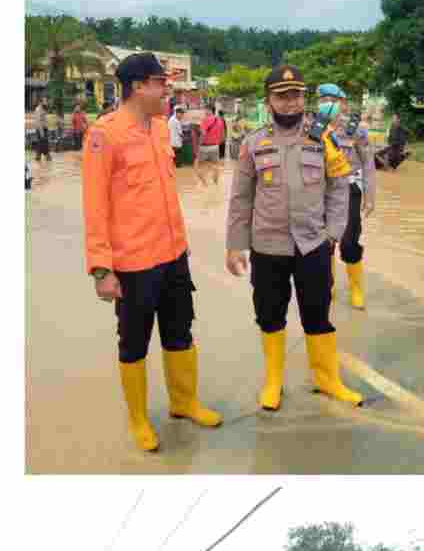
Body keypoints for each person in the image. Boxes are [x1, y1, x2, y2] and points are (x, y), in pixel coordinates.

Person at [82, 52, 222, 452]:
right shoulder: (103, 134)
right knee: (134, 342)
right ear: (138, 86)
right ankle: (139, 419)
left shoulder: (161, 128)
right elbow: (95, 205)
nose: (168, 89)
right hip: (133, 262)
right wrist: (101, 269)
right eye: (162, 83)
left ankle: (184, 402)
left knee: (180, 331)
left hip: (173, 253)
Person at [226, 65, 362, 410]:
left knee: (318, 313)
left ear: (305, 98)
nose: (290, 103)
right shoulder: (253, 143)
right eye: (281, 96)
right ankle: (273, 381)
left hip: (312, 244)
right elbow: (241, 197)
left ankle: (326, 379)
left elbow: (339, 187)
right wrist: (234, 245)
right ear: (268, 100)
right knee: (270, 314)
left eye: (296, 95)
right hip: (267, 245)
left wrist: (333, 233)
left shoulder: (324, 138)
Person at [317, 84, 375, 310]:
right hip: (321, 192)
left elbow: (369, 163)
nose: (326, 103)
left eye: (332, 98)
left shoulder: (357, 130)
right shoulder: (313, 128)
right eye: (322, 99)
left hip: (350, 190)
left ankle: (356, 288)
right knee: (325, 243)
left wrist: (370, 197)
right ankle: (328, 285)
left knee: (349, 242)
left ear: (343, 103)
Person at [197, 103, 225, 186]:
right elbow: (223, 135)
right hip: (215, 147)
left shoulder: (205, 120)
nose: (204, 111)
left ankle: (205, 184)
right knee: (215, 166)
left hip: (204, 147)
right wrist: (217, 142)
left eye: (205, 109)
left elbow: (203, 134)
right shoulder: (220, 120)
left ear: (209, 110)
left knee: (199, 167)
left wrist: (199, 145)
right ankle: (216, 184)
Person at [32, 98, 51, 165]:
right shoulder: (38, 109)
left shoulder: (43, 109)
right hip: (41, 129)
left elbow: (44, 119)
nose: (46, 102)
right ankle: (46, 155)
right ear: (41, 102)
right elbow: (38, 121)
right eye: (45, 101)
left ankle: (39, 156)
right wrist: (41, 131)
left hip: (44, 128)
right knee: (43, 142)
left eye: (46, 101)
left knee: (42, 142)